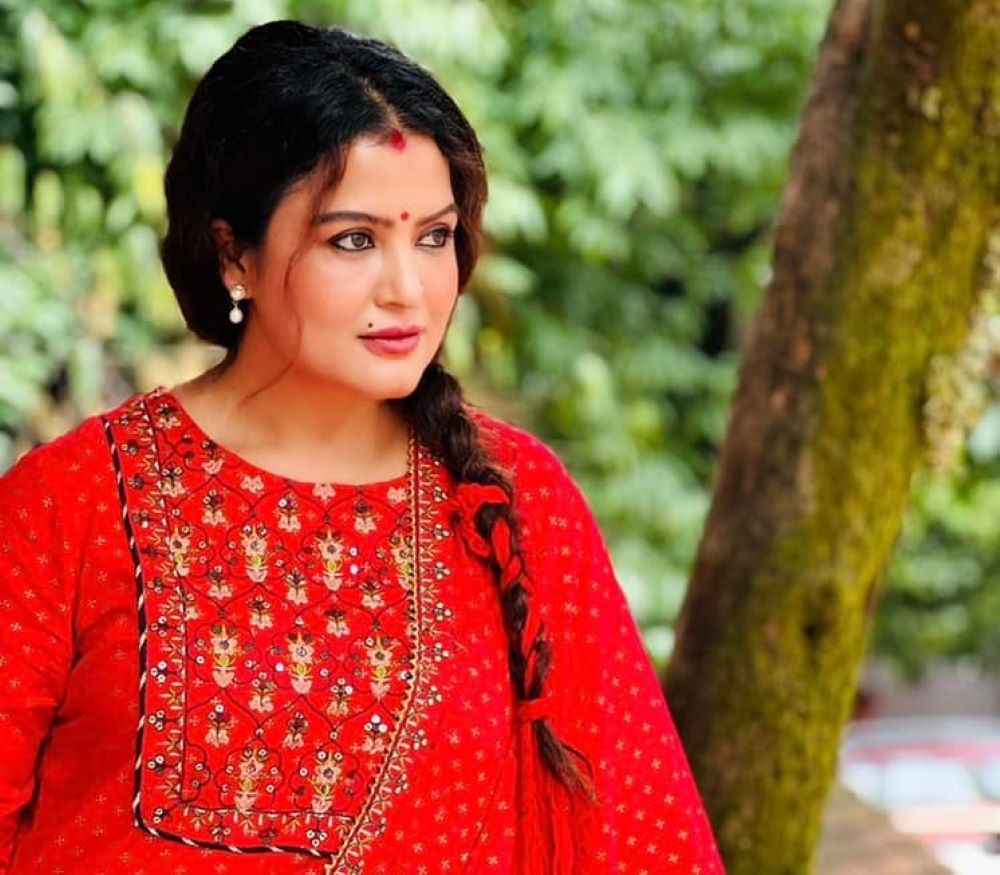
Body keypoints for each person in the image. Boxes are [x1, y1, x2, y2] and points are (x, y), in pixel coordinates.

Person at [0, 20, 724, 875]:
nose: (408, 289)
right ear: (234, 253)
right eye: (354, 239)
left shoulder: (516, 497)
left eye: (434, 237)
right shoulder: (69, 502)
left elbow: (646, 838)